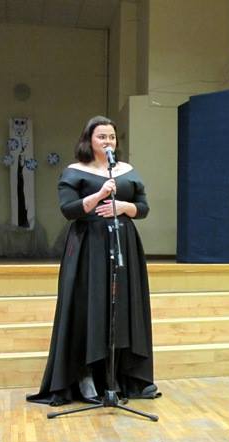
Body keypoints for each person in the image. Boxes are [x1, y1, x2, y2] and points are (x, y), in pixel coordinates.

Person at [27, 116, 159, 406]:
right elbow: (68, 210)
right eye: (102, 137)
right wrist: (100, 194)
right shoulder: (74, 171)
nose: (108, 141)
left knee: (120, 307)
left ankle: (118, 375)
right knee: (90, 306)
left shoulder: (127, 170)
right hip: (88, 245)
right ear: (89, 140)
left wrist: (123, 206)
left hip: (123, 242)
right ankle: (84, 374)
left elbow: (144, 208)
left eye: (112, 137)